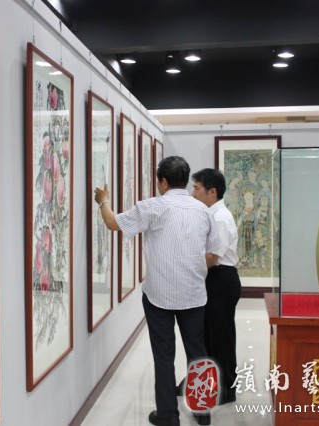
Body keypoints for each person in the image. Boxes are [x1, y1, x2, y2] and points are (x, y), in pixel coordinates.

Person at [95, 156, 220, 426]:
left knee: (164, 356)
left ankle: (167, 415)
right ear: (184, 180)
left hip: (159, 296)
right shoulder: (204, 211)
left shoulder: (152, 207)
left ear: (163, 182)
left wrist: (103, 201)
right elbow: (212, 254)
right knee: (197, 351)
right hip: (193, 294)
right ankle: (202, 412)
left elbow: (113, 223)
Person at [191, 168, 242, 405]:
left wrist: (185, 264)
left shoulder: (220, 218)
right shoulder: (211, 214)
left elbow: (212, 258)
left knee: (220, 336)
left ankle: (225, 389)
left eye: (197, 188)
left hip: (221, 280)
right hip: (214, 279)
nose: (193, 194)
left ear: (212, 192)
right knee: (209, 334)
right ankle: (209, 383)